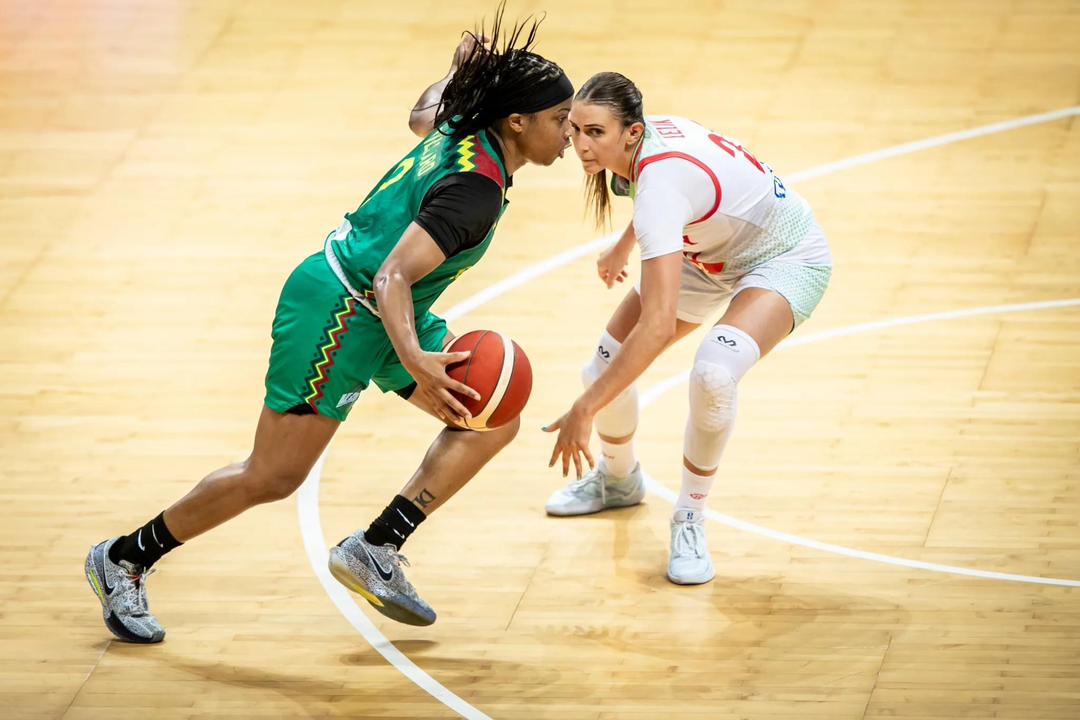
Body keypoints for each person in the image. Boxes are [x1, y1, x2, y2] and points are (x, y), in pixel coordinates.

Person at [84, 9, 574, 641]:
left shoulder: (459, 126)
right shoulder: (474, 192)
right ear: (518, 122)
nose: (568, 135)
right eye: (560, 121)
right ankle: (124, 557)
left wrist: (455, 76)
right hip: (339, 311)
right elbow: (391, 277)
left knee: (490, 416)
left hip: (386, 311)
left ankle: (377, 547)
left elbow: (421, 112)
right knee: (273, 475)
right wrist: (419, 360)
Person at [543, 72, 831, 585]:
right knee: (603, 367)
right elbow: (667, 200)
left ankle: (691, 516)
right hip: (709, 250)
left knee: (714, 374)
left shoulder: (659, 184)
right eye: (575, 129)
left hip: (784, 256)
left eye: (595, 133)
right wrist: (624, 244)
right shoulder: (648, 140)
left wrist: (582, 412)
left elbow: (654, 327)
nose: (581, 145)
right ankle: (618, 481)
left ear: (630, 133)